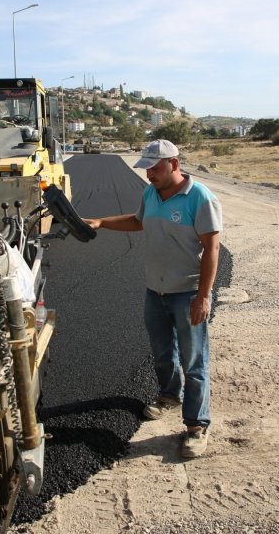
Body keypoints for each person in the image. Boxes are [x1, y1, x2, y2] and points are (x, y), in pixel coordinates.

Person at [83, 139, 222, 458]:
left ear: (174, 164)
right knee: (162, 353)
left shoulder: (200, 198)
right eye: (145, 168)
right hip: (155, 290)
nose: (148, 175)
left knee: (194, 361)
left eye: (154, 168)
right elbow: (138, 221)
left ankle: (197, 426)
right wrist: (102, 222)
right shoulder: (151, 193)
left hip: (187, 292)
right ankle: (169, 395)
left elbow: (212, 248)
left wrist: (203, 296)